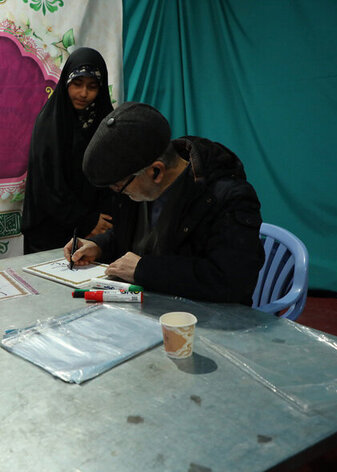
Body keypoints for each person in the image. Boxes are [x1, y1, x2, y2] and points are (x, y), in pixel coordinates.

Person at [65, 102, 265, 305]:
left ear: (156, 171)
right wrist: (99, 245)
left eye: (119, 187)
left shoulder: (227, 198)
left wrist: (144, 270)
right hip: (148, 306)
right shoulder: (142, 187)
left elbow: (230, 281)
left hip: (200, 320)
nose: (119, 193)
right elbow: (133, 235)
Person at [22, 47, 115, 253]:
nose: (83, 94)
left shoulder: (106, 123)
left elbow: (113, 178)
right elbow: (48, 186)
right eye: (77, 84)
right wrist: (87, 221)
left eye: (92, 86)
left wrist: (101, 224)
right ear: (66, 83)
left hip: (97, 234)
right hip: (50, 233)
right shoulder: (50, 124)